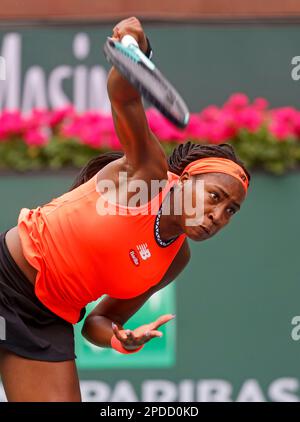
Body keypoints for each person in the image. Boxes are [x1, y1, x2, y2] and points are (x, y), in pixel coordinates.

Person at [0, 17, 250, 402]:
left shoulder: (175, 259)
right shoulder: (147, 174)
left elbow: (100, 321)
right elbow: (125, 97)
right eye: (215, 196)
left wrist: (120, 339)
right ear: (182, 180)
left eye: (231, 211)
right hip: (6, 277)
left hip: (46, 318)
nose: (219, 215)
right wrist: (136, 49)